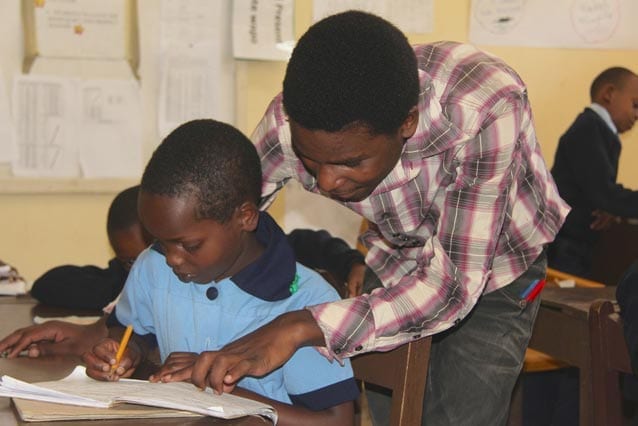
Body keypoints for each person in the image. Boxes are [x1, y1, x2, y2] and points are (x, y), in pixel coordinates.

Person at [187, 11, 569, 426]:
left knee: (463, 412)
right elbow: (212, 220)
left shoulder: (482, 106)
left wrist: (301, 324)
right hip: (395, 254)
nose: (329, 182)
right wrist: (124, 315)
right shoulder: (286, 124)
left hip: (496, 263)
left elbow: (452, 285)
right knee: (394, 411)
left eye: (350, 162)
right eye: (311, 162)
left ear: (408, 123)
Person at [81, 119, 359, 426]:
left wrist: (219, 389)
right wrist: (122, 354)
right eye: (161, 241)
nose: (171, 258)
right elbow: (132, 333)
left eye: (190, 245)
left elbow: (336, 421)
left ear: (245, 217)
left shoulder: (307, 304)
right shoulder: (152, 266)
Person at [548, 67, 638, 279]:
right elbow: (604, 193)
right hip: (567, 243)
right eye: (635, 105)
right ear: (609, 94)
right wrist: (608, 202)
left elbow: (595, 190)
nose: (637, 115)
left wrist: (608, 207)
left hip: (580, 241)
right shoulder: (588, 128)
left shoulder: (601, 131)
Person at [30, 185, 153, 310]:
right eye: (131, 262)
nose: (141, 271)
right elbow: (45, 285)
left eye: (152, 257)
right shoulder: (121, 281)